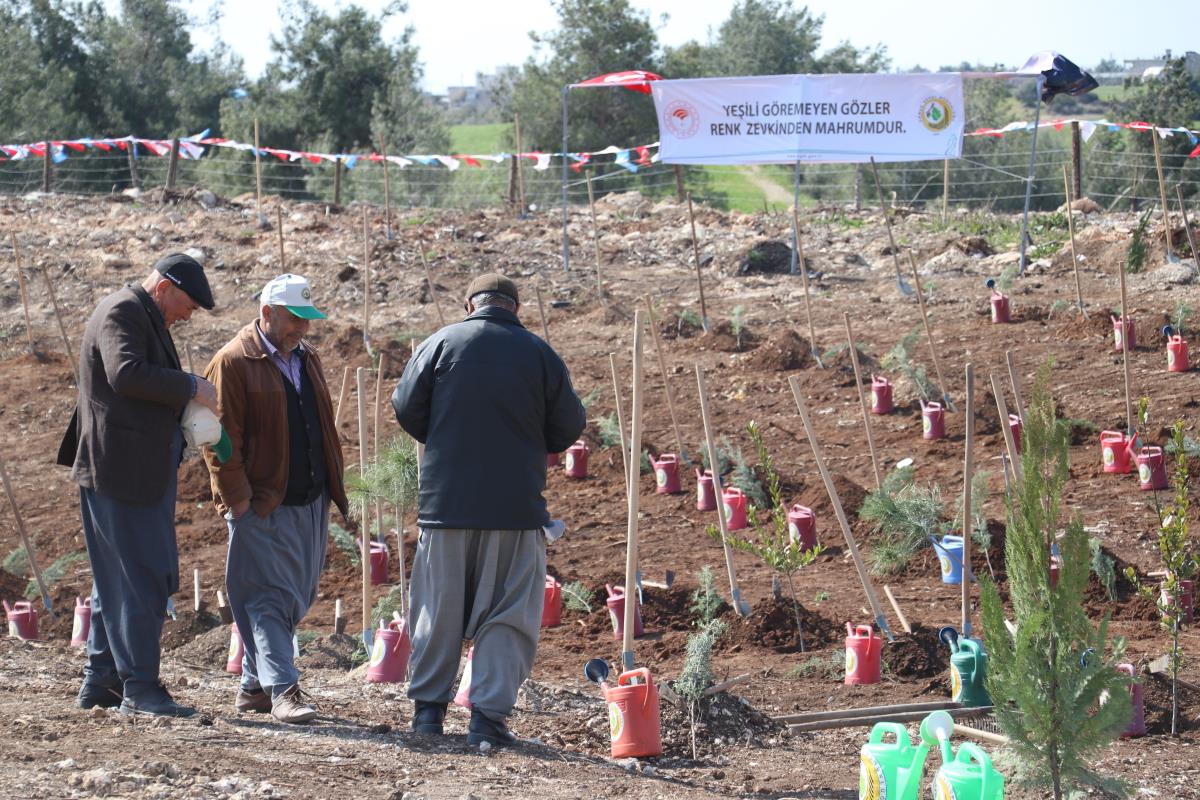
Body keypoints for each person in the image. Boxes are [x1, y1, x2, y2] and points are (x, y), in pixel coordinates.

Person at [391, 273, 585, 747]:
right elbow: (569, 426)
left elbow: (405, 407)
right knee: (509, 613)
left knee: (437, 610)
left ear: (469, 304)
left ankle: (428, 716)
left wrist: (445, 435)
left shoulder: (440, 342)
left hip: (446, 505)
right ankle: (487, 719)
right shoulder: (539, 354)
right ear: (514, 309)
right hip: (515, 509)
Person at [57, 253, 218, 717]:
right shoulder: (122, 311)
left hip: (130, 470)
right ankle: (141, 689)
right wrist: (190, 386)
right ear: (165, 287)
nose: (189, 315)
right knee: (143, 577)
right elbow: (125, 373)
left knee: (117, 581)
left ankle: (102, 682)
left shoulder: (144, 314)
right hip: (121, 472)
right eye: (188, 303)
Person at [202, 273, 348, 725]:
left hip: (308, 499)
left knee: (297, 597)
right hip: (261, 502)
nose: (302, 329)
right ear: (267, 313)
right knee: (267, 597)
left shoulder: (308, 358)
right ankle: (283, 690)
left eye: (307, 320)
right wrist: (238, 501)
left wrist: (333, 490)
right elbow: (218, 438)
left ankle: (252, 687)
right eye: (294, 320)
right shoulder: (233, 361)